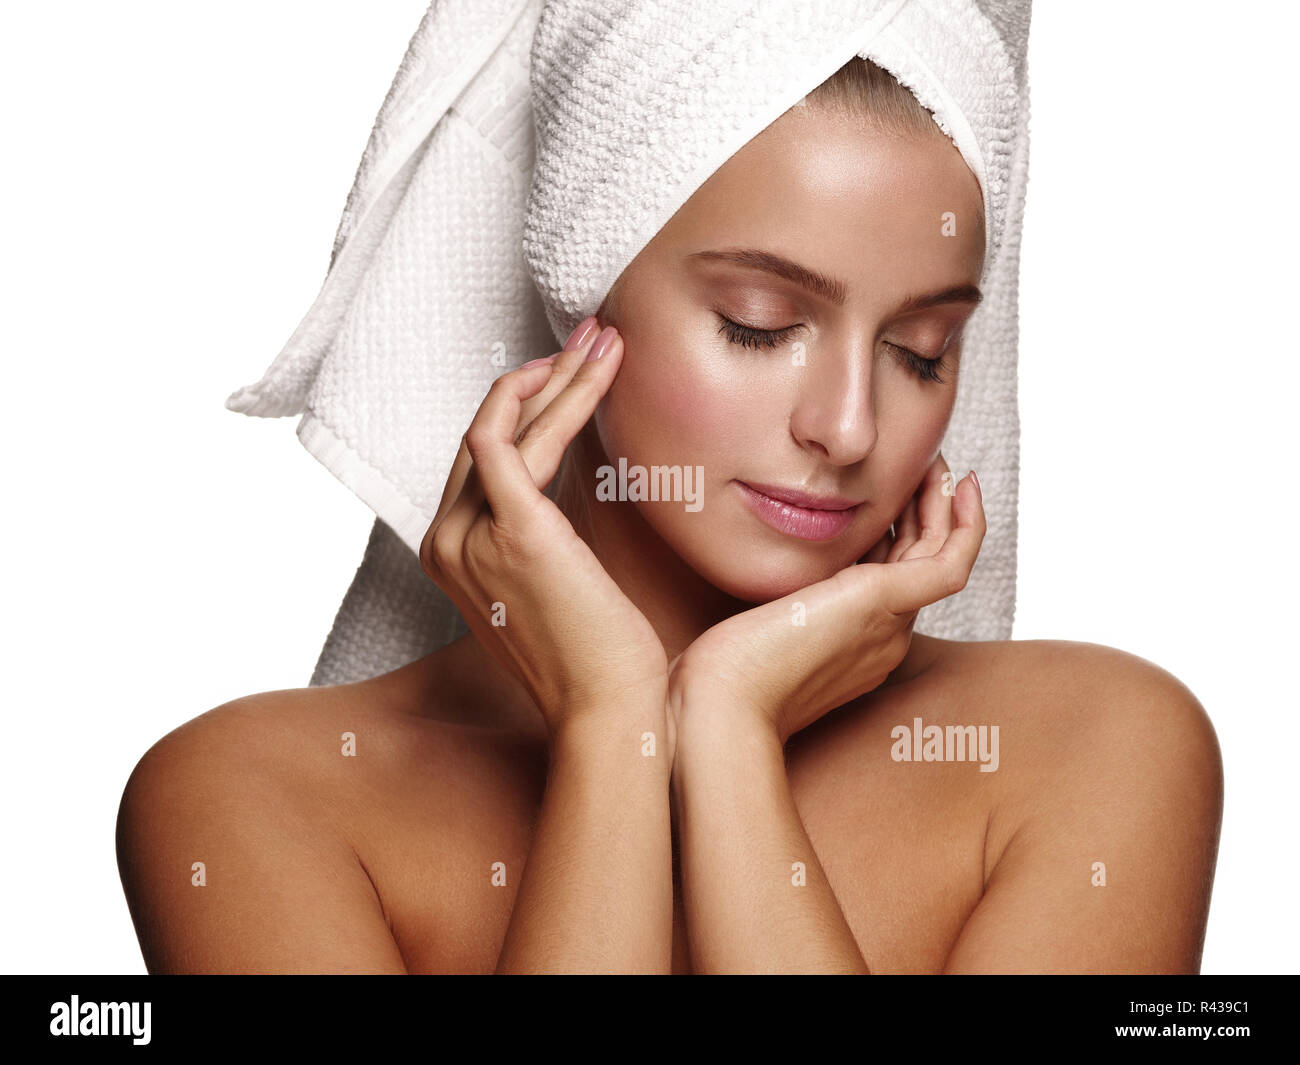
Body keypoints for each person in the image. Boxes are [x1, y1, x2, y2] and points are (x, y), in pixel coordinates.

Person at [116, 57, 1222, 974]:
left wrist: (727, 732)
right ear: (580, 310)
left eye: (918, 352)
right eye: (757, 324)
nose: (846, 427)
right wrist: (612, 727)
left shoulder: (1099, 747)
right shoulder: (248, 800)